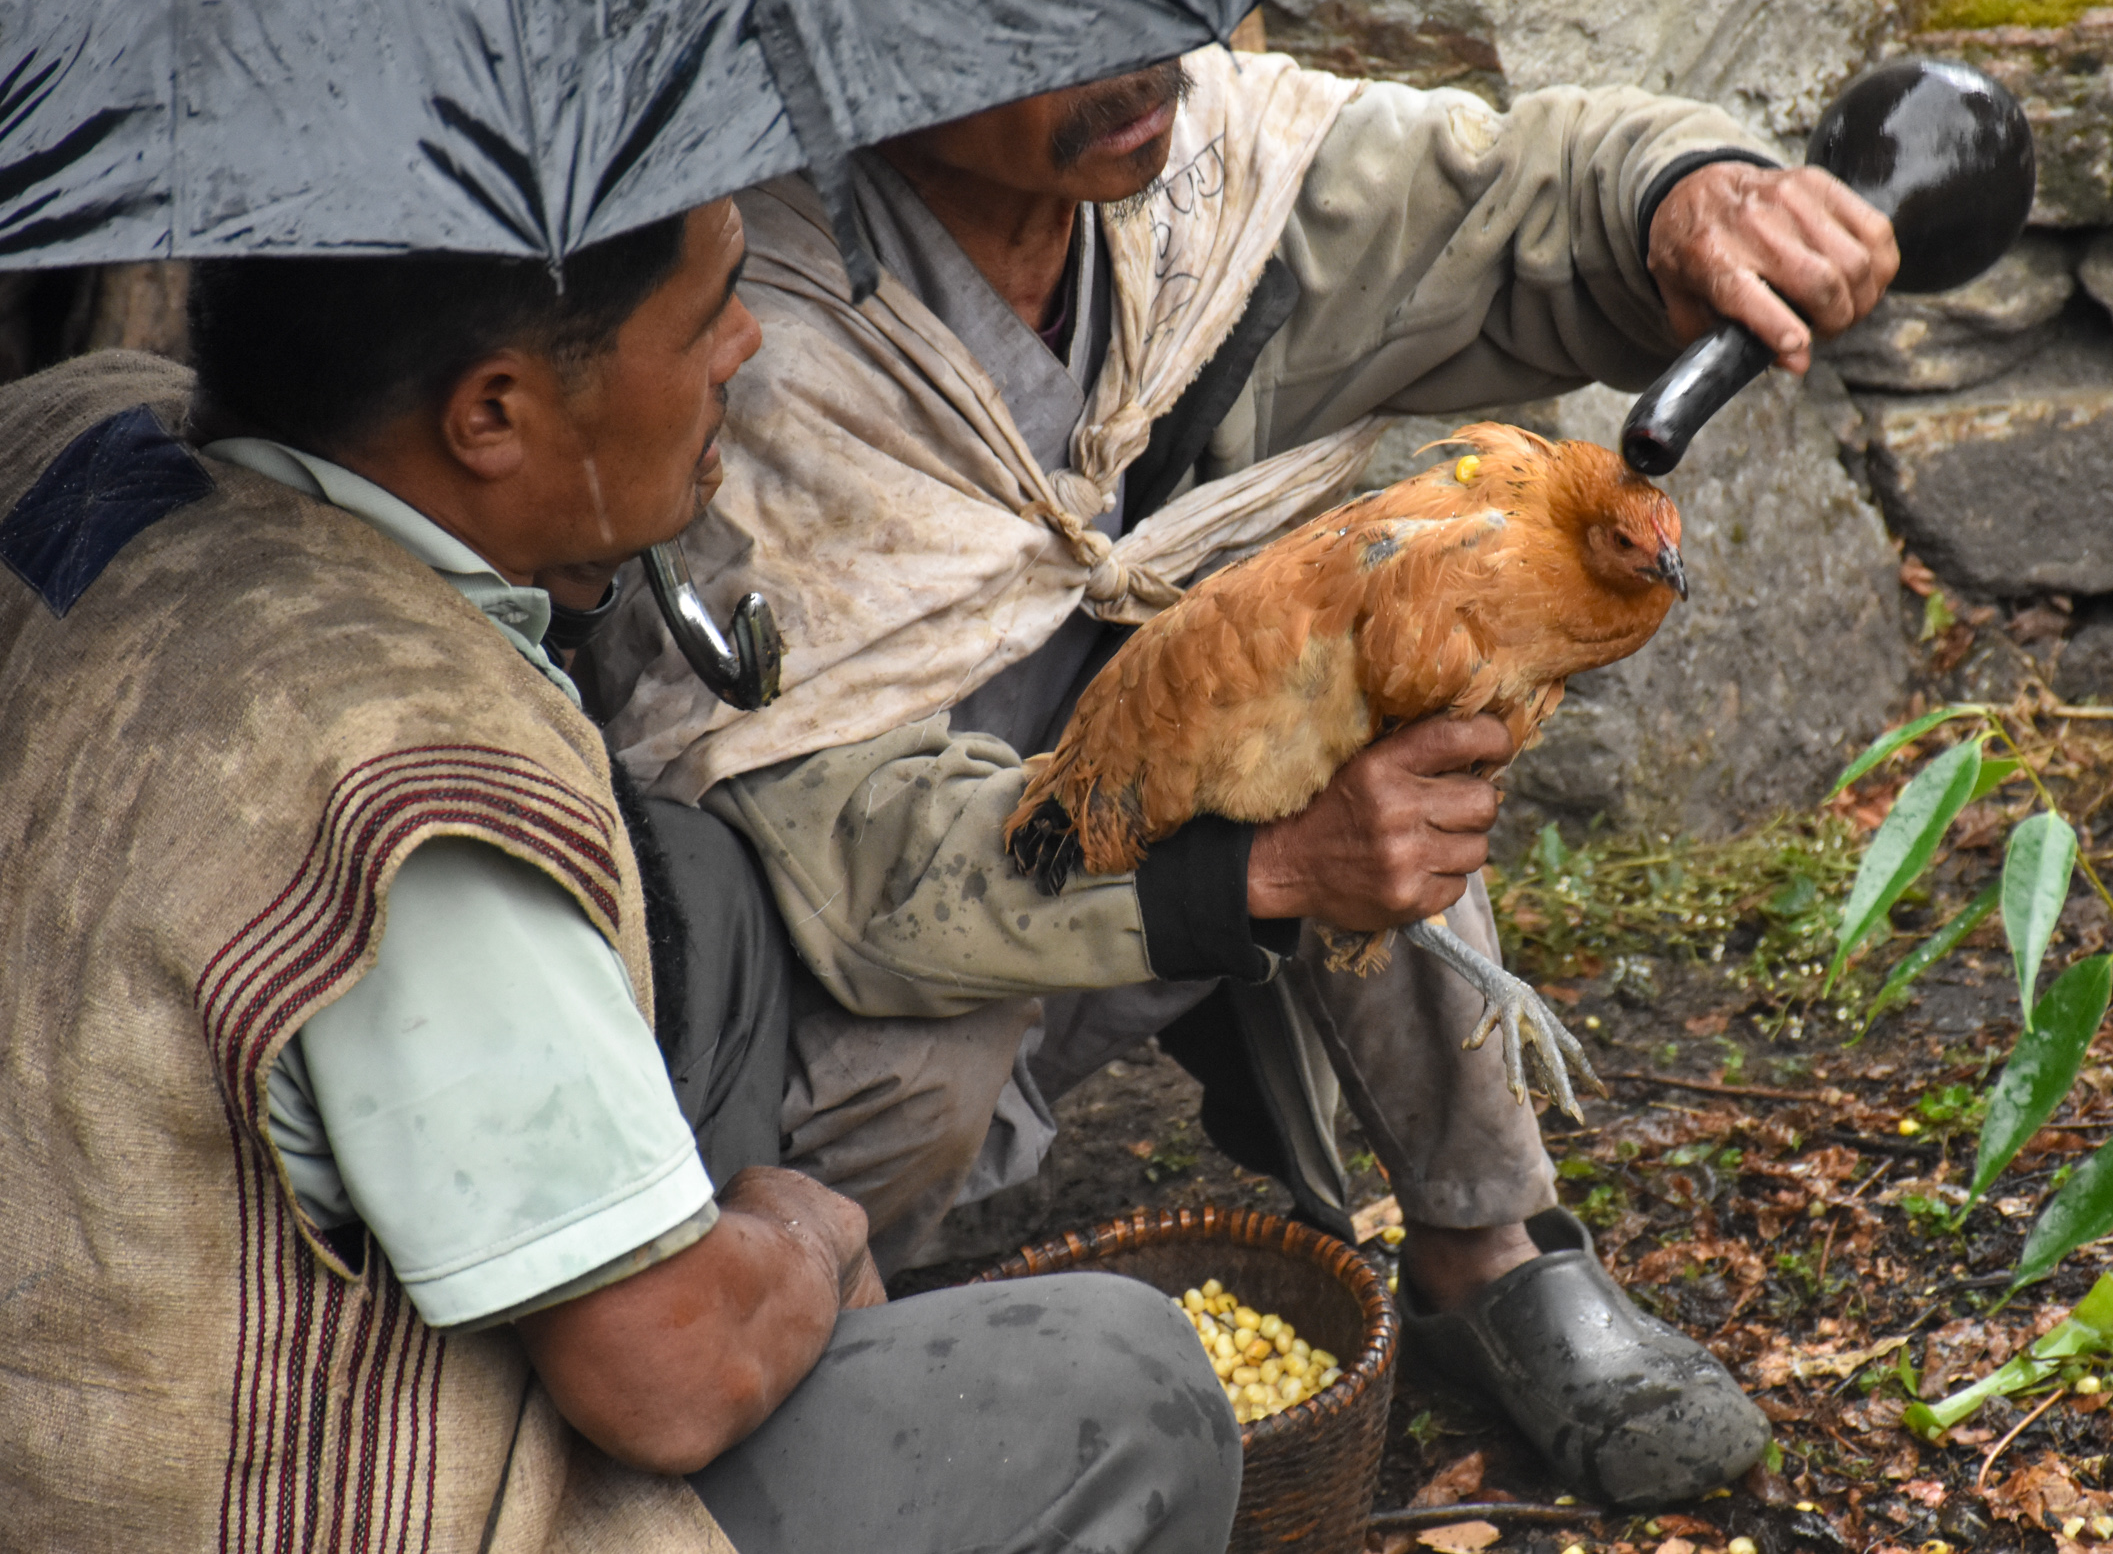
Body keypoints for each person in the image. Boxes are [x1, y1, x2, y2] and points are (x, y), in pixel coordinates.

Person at [590, 45, 1897, 1507]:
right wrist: (1262, 874)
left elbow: (1499, 196)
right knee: (913, 1080)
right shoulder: (751, 330)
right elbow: (833, 854)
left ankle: (1489, 1257)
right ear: (891, 38)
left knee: (1387, 662)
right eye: (1048, 30)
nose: (1138, 62)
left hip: (1189, 788)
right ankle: (852, 1356)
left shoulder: (1189, 170)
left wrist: (1689, 200)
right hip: (900, 937)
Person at [0, 202, 1238, 1553]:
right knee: (1125, 1383)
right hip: (271, 1497)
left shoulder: (72, 428)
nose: (746, 345)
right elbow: (664, 1377)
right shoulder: (403, 784)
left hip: (82, 1292)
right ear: (492, 417)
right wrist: (803, 1240)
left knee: (696, 881)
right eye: (709, 314)